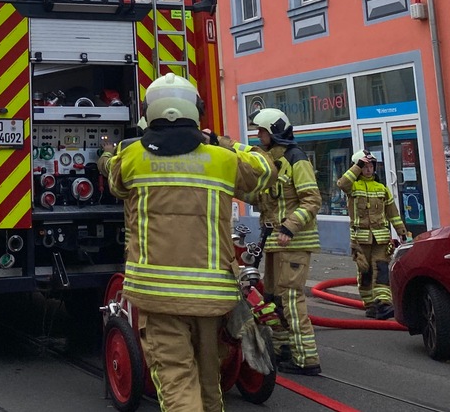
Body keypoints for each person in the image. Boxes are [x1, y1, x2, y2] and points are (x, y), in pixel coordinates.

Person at [98, 73, 274, 412]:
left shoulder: (133, 158)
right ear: (196, 110)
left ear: (150, 112)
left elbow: (114, 178)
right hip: (212, 299)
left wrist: (106, 153)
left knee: (177, 384)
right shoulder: (223, 161)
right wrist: (220, 141)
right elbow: (265, 168)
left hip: (159, 297)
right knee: (210, 384)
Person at [250, 107, 322, 376]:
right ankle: (283, 350)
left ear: (274, 131)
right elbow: (264, 199)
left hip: (294, 241)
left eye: (262, 131)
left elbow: (312, 199)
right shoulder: (272, 163)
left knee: (291, 299)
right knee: (272, 299)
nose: (258, 136)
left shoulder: (296, 159)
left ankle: (306, 360)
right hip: (273, 243)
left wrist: (290, 228)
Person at [337, 150, 408, 319]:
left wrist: (402, 233)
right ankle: (370, 305)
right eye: (365, 166)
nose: (369, 169)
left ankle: (383, 303)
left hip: (381, 239)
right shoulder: (352, 187)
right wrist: (358, 165)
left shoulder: (382, 188)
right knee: (365, 272)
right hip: (360, 240)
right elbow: (342, 183)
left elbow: (393, 213)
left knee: (382, 269)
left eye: (371, 166)